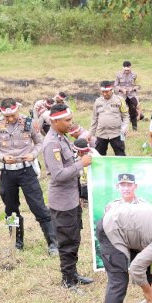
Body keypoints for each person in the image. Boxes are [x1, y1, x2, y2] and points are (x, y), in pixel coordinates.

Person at [0, 98, 57, 252]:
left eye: (13, 115)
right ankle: (16, 243)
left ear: (17, 110)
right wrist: (2, 157)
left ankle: (53, 243)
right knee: (11, 209)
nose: (10, 119)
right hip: (7, 172)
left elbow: (40, 142)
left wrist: (33, 155)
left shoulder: (29, 122)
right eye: (7, 117)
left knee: (38, 206)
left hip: (26, 170)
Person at [42, 103, 95, 287]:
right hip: (62, 202)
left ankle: (73, 274)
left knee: (74, 238)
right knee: (66, 243)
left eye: (71, 119)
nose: (71, 123)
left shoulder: (61, 137)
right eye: (67, 120)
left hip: (72, 198)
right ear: (54, 121)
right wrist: (82, 163)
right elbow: (58, 175)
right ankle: (68, 281)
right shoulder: (52, 143)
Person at [91, 81, 129, 156]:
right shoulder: (97, 101)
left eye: (107, 92)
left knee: (120, 155)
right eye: (103, 92)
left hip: (116, 133)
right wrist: (91, 134)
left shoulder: (120, 100)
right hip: (101, 134)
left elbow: (125, 116)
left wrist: (124, 128)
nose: (105, 94)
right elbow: (94, 119)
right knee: (99, 156)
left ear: (111, 90)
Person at [115, 61, 140, 131]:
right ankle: (122, 130)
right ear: (123, 68)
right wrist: (121, 89)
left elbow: (138, 86)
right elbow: (115, 86)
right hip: (122, 96)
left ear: (130, 67)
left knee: (133, 110)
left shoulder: (135, 75)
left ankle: (135, 129)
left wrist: (132, 88)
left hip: (131, 95)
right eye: (125, 70)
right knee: (121, 112)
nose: (126, 71)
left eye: (128, 70)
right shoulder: (118, 75)